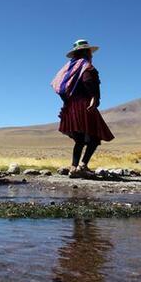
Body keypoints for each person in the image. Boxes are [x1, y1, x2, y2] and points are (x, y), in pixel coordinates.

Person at [51, 39, 114, 178]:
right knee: (95, 137)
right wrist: (94, 97)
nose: (91, 55)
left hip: (71, 106)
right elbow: (88, 81)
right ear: (86, 52)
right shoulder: (86, 67)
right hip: (85, 105)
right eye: (90, 52)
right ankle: (83, 165)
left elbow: (59, 87)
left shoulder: (68, 68)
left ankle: (74, 167)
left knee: (79, 139)